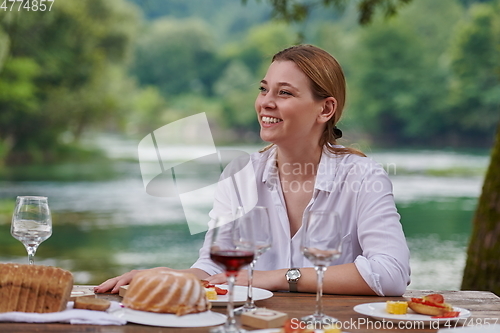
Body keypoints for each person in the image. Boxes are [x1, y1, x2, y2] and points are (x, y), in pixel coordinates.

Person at [95, 44, 411, 296]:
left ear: (325, 109)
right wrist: (166, 276)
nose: (265, 103)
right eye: (263, 89)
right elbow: (213, 265)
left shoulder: (363, 177)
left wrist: (277, 278)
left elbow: (392, 273)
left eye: (284, 92)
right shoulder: (240, 175)